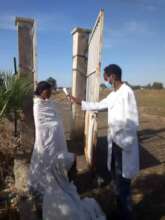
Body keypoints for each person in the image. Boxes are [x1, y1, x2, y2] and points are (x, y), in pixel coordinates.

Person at [70, 64, 139, 220]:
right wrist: (79, 102)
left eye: (106, 78)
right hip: (115, 143)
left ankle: (126, 215)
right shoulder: (114, 94)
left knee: (123, 182)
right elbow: (99, 105)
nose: (106, 81)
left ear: (113, 76)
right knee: (115, 178)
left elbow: (133, 121)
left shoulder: (127, 93)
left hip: (123, 145)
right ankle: (119, 210)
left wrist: (124, 143)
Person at [28, 81, 68, 197]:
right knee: (45, 158)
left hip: (54, 137)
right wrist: (52, 126)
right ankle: (45, 183)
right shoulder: (38, 105)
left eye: (51, 90)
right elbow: (40, 124)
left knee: (55, 158)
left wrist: (55, 126)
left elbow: (56, 117)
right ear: (41, 91)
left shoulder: (48, 103)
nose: (50, 92)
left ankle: (56, 179)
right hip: (44, 138)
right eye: (48, 90)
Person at [42, 152, 106, 220]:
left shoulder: (53, 187)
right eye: (73, 169)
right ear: (65, 172)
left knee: (91, 203)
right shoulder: (66, 207)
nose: (76, 171)